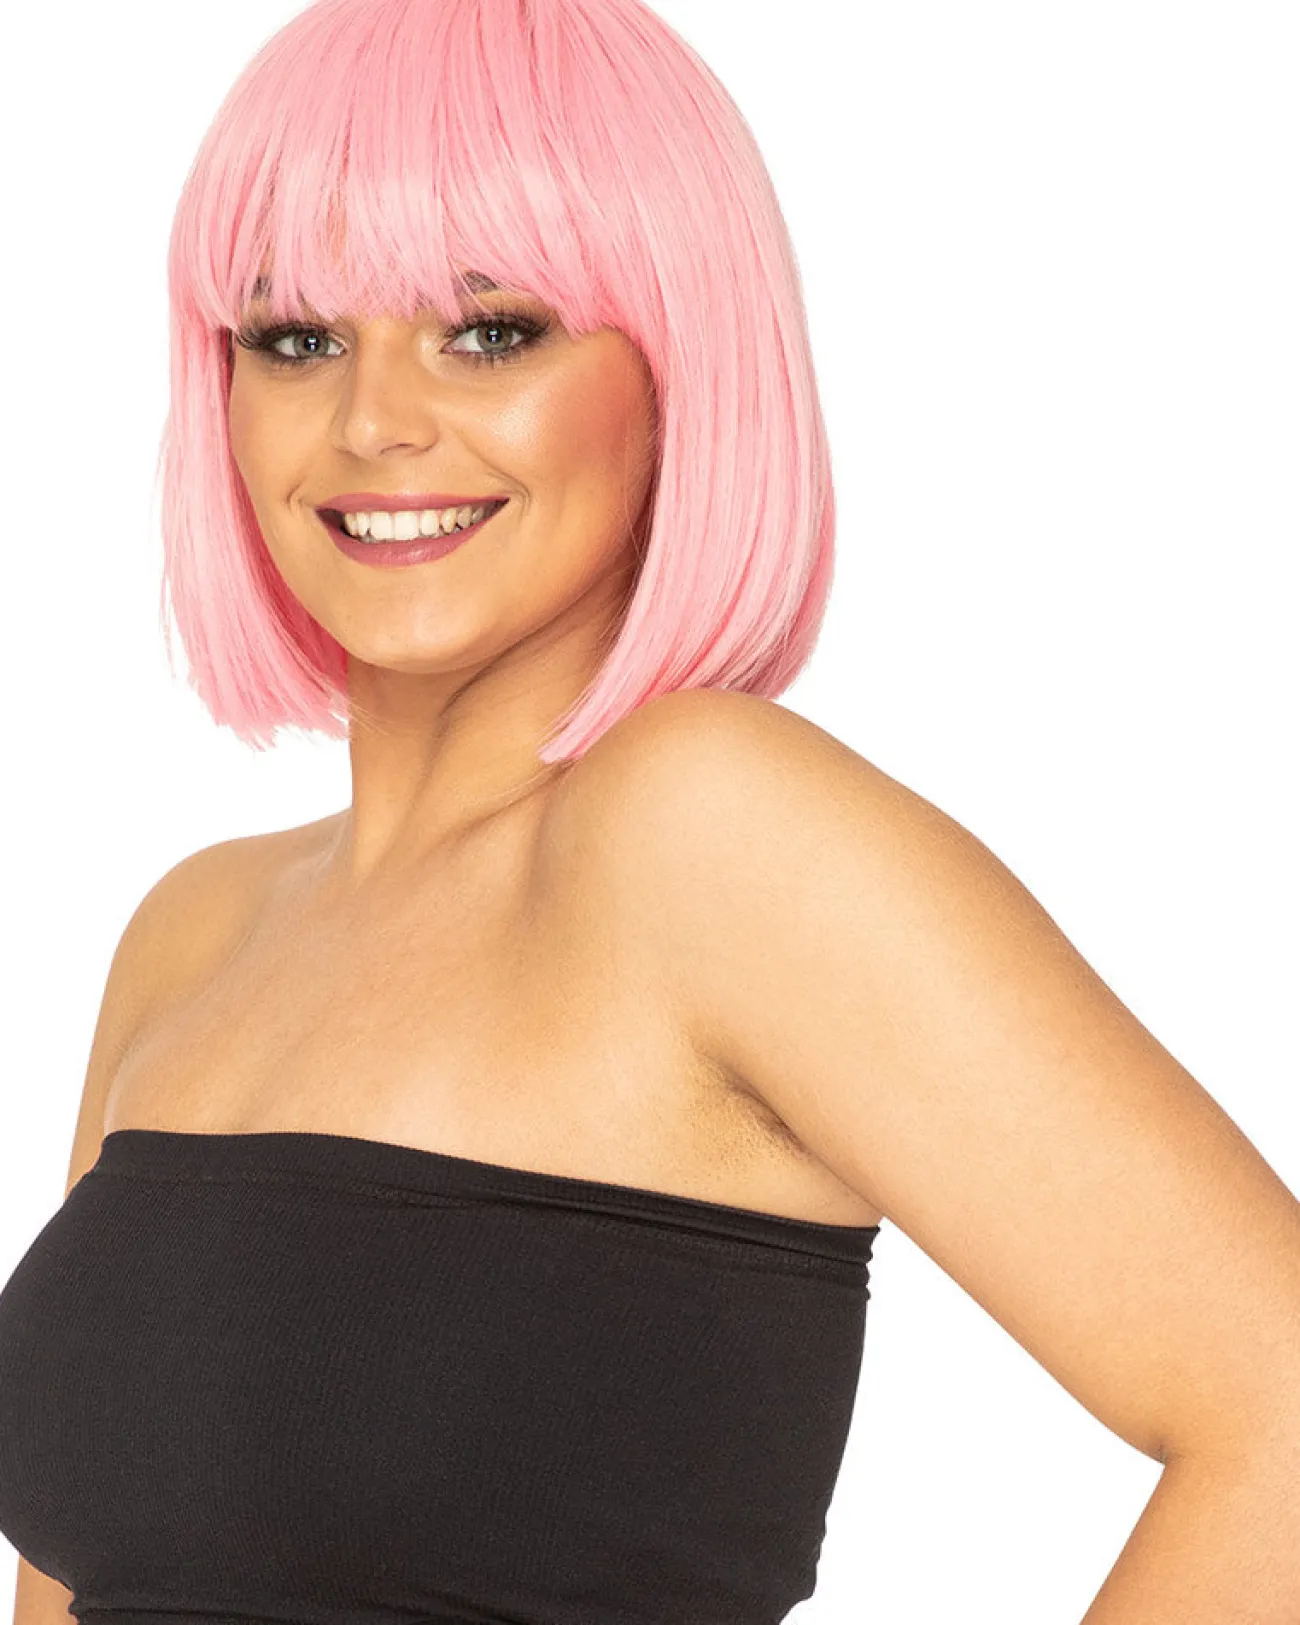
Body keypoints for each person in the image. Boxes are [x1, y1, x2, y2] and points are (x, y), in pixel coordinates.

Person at [2, 1, 1299, 1622]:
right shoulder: (195, 930)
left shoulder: (707, 830)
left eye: (492, 330)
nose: (372, 420)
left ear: (681, 375)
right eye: (294, 338)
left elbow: (1279, 1409)